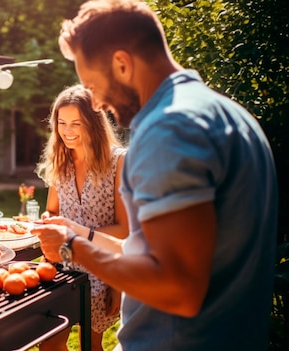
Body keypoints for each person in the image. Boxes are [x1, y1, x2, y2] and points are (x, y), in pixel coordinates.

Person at [32, 1, 278, 350]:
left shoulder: (168, 128)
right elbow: (157, 251)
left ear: (122, 63)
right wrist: (78, 233)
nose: (97, 104)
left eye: (93, 85)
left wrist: (73, 249)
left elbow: (177, 288)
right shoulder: (230, 116)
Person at [35, 85, 128, 351]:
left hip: (101, 270)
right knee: (49, 346)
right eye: (62, 123)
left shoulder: (118, 161)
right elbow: (52, 210)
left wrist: (117, 284)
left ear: (94, 123)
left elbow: (125, 229)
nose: (68, 130)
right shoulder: (60, 159)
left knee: (92, 346)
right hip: (61, 265)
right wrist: (47, 220)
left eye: (77, 123)